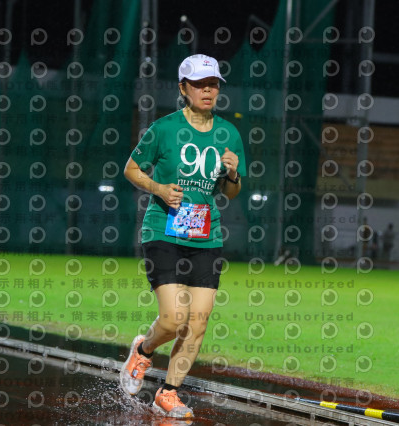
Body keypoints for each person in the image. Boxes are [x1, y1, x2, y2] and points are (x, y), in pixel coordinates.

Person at [120, 54, 246, 418]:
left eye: (213, 84)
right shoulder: (164, 129)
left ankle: (168, 392)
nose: (208, 90)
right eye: (200, 84)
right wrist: (158, 188)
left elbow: (231, 193)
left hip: (206, 236)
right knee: (175, 319)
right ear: (183, 88)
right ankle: (143, 351)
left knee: (198, 322)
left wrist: (233, 175)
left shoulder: (229, 134)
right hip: (164, 229)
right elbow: (131, 169)